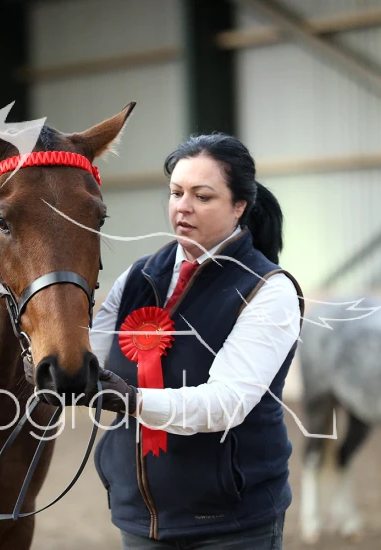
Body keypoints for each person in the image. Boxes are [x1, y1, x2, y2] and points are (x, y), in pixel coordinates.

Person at [85, 133, 303, 549]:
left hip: (230, 524)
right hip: (139, 519)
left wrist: (134, 400)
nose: (182, 206)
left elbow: (225, 404)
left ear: (239, 206)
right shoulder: (136, 277)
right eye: (176, 192)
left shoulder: (269, 289)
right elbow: (89, 359)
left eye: (202, 196)